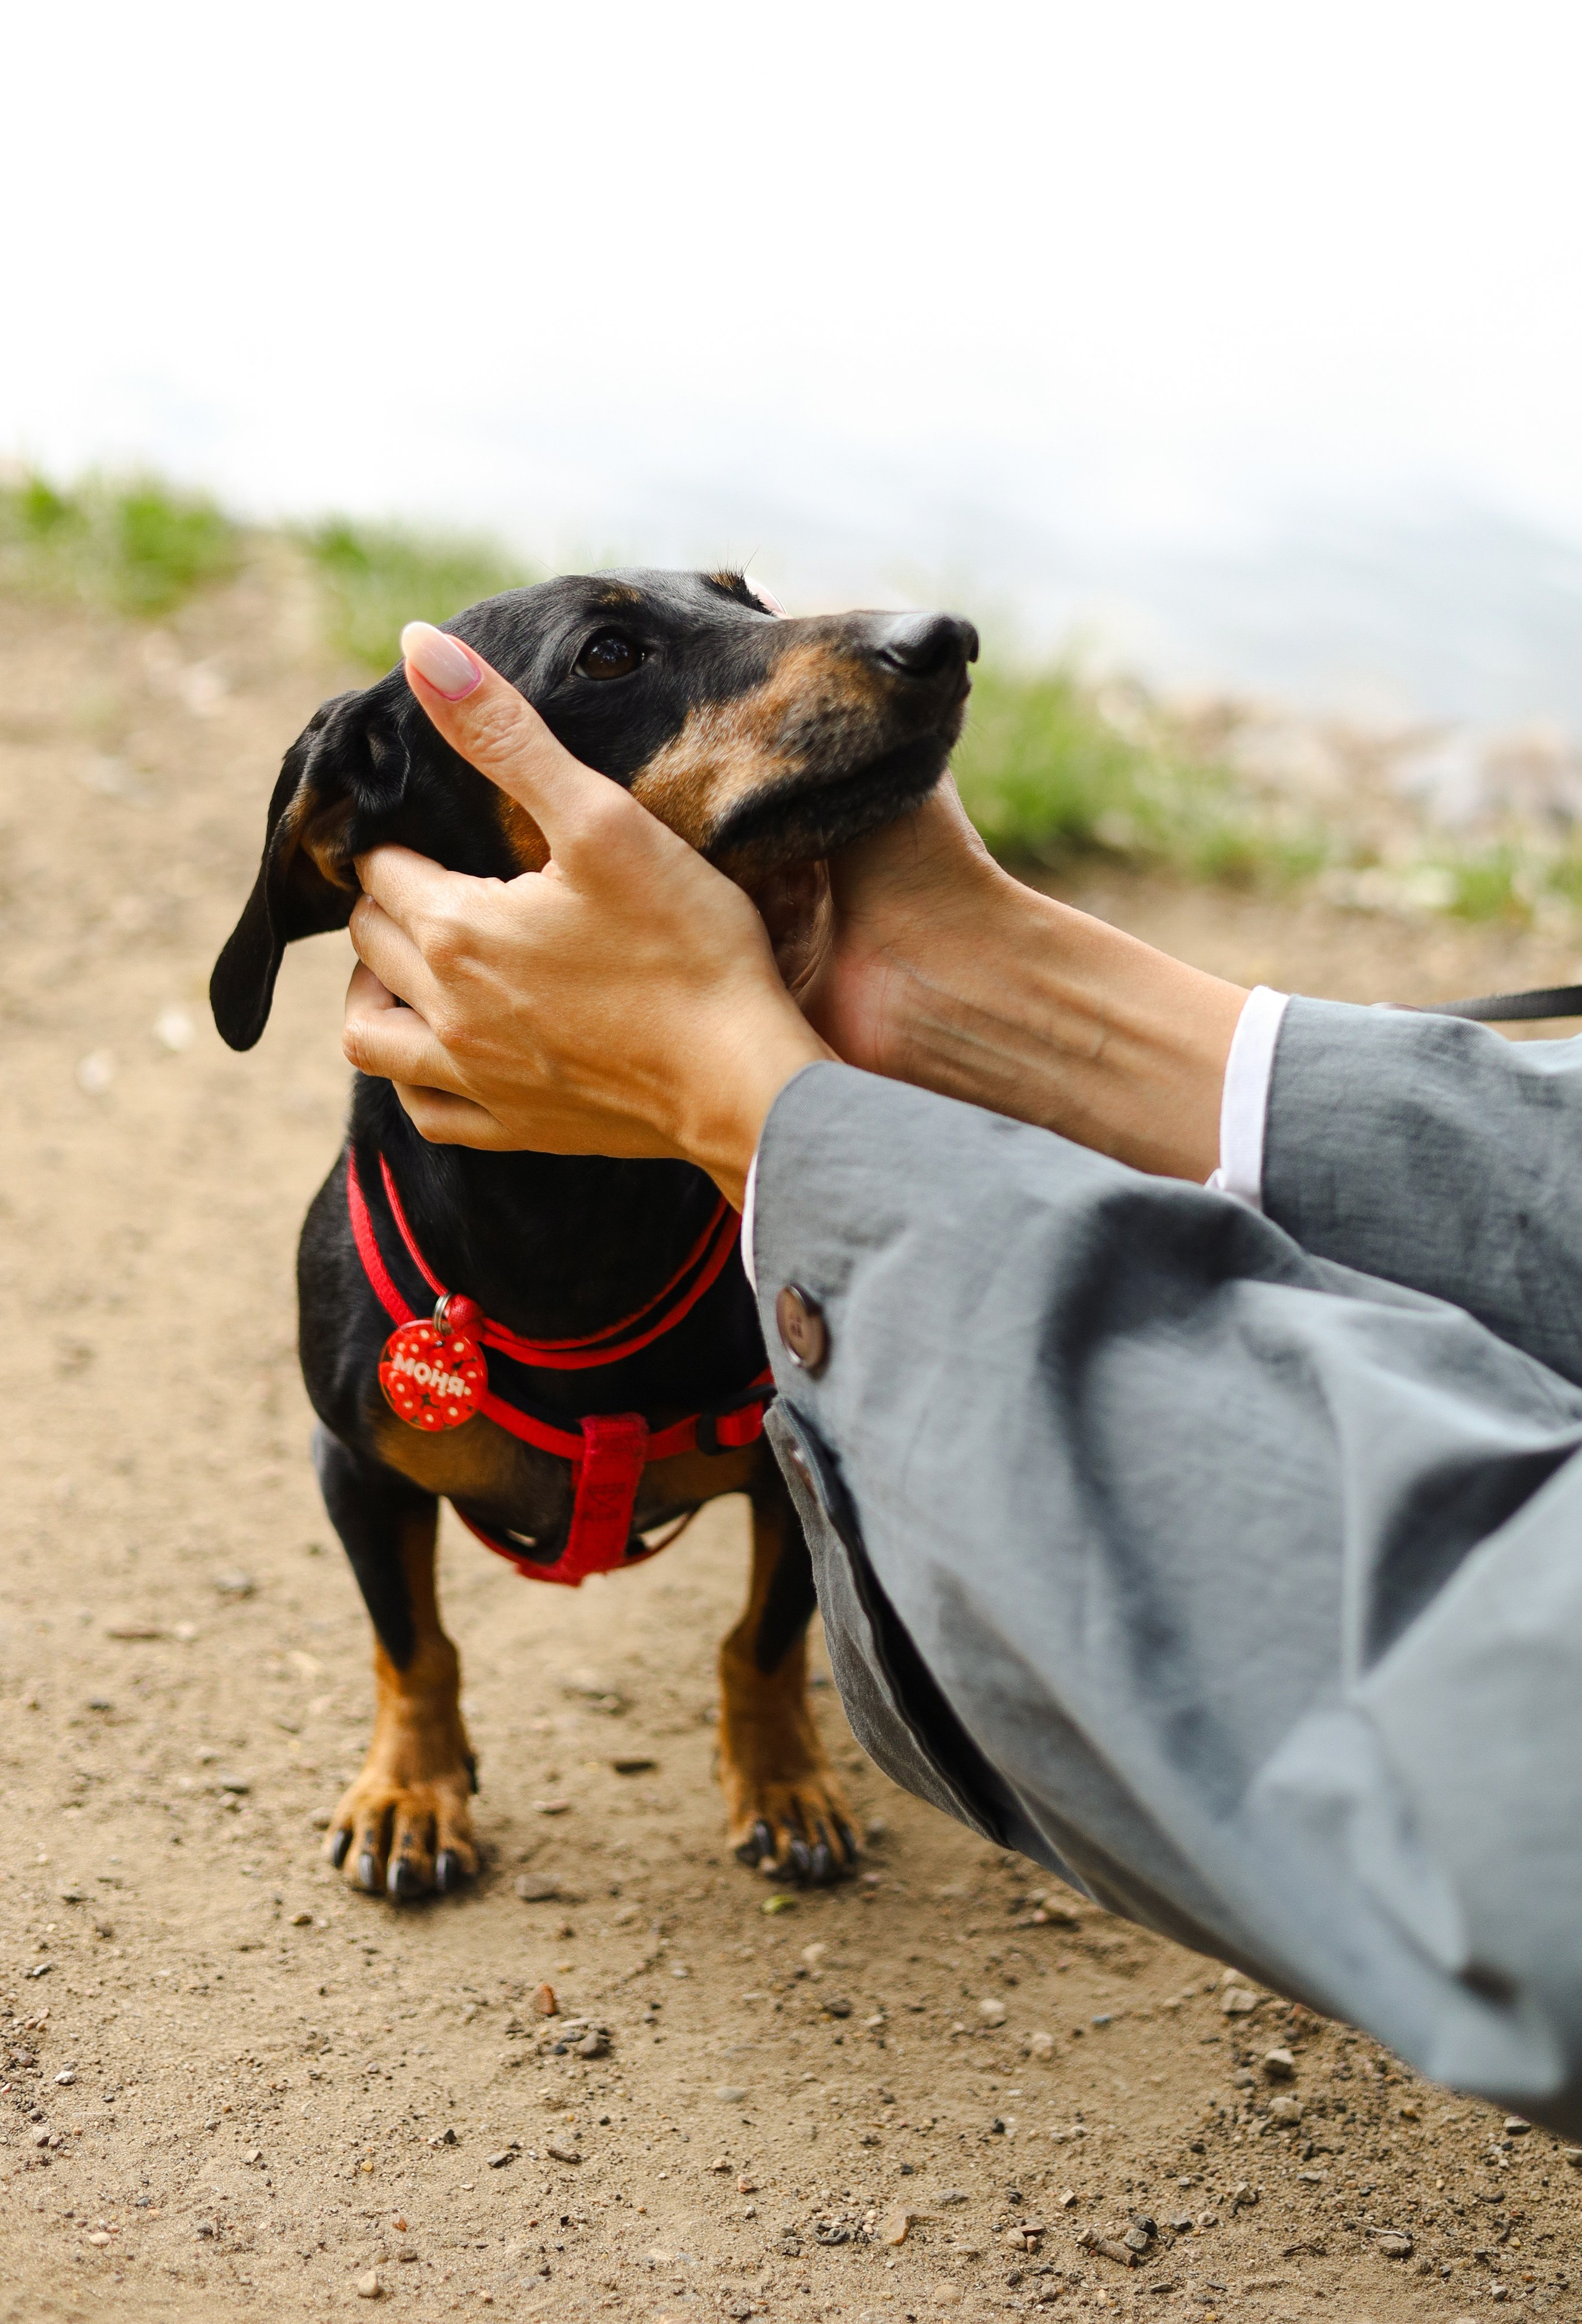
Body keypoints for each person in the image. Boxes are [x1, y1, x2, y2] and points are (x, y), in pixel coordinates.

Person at [342, 621, 1582, 2132]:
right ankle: (419, 1707)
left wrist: (763, 1117)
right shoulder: (367, 1259)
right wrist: (1000, 1000)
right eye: (613, 656)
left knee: (775, 1467)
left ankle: (758, 1696)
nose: (906, 631)